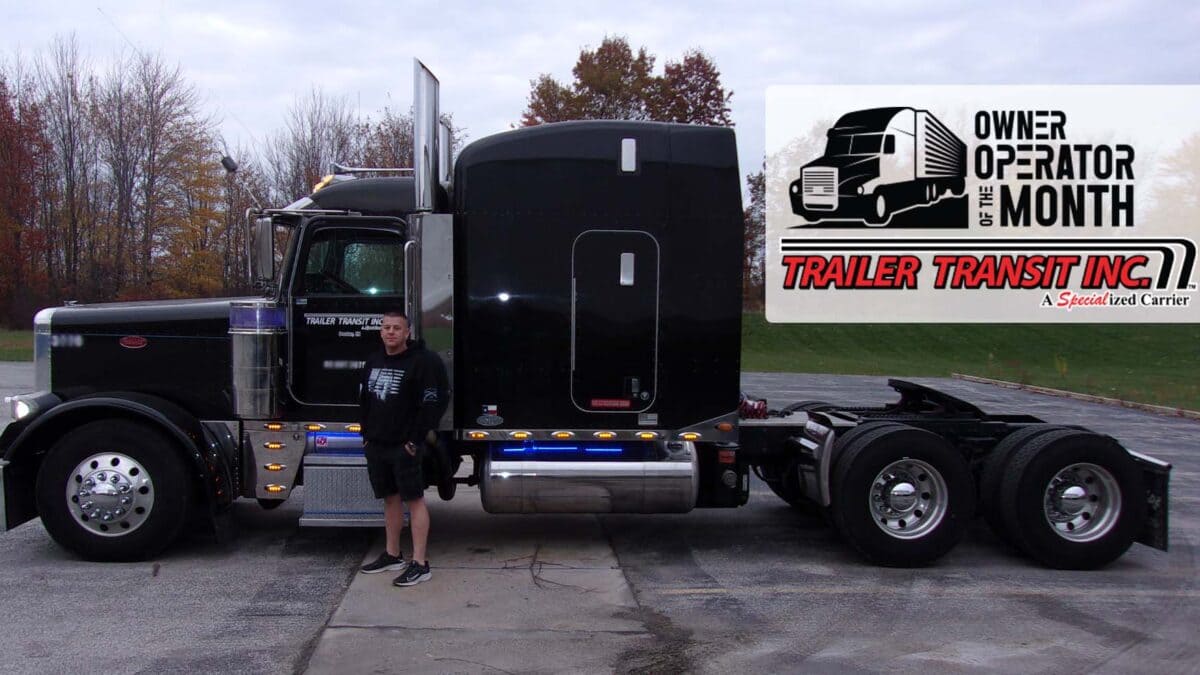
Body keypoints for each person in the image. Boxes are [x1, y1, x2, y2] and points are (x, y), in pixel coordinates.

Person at [357, 310, 449, 587]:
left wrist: (415, 440)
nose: (390, 332)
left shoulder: (424, 362)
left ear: (408, 332)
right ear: (380, 332)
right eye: (386, 327)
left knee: (415, 500)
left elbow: (434, 403)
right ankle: (392, 554)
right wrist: (365, 434)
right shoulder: (373, 360)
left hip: (404, 446)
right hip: (377, 444)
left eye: (397, 328)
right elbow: (365, 400)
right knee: (390, 499)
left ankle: (420, 563)